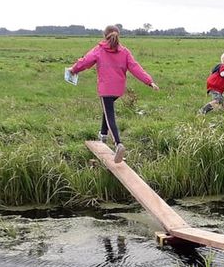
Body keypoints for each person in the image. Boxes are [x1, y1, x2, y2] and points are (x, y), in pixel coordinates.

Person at [68, 25, 159, 163]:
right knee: (107, 109)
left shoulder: (99, 49)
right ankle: (102, 137)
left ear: (105, 36)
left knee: (110, 115)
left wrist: (73, 69)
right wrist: (149, 81)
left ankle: (118, 144)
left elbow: (85, 61)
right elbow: (135, 67)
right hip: (118, 90)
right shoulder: (124, 51)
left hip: (106, 89)